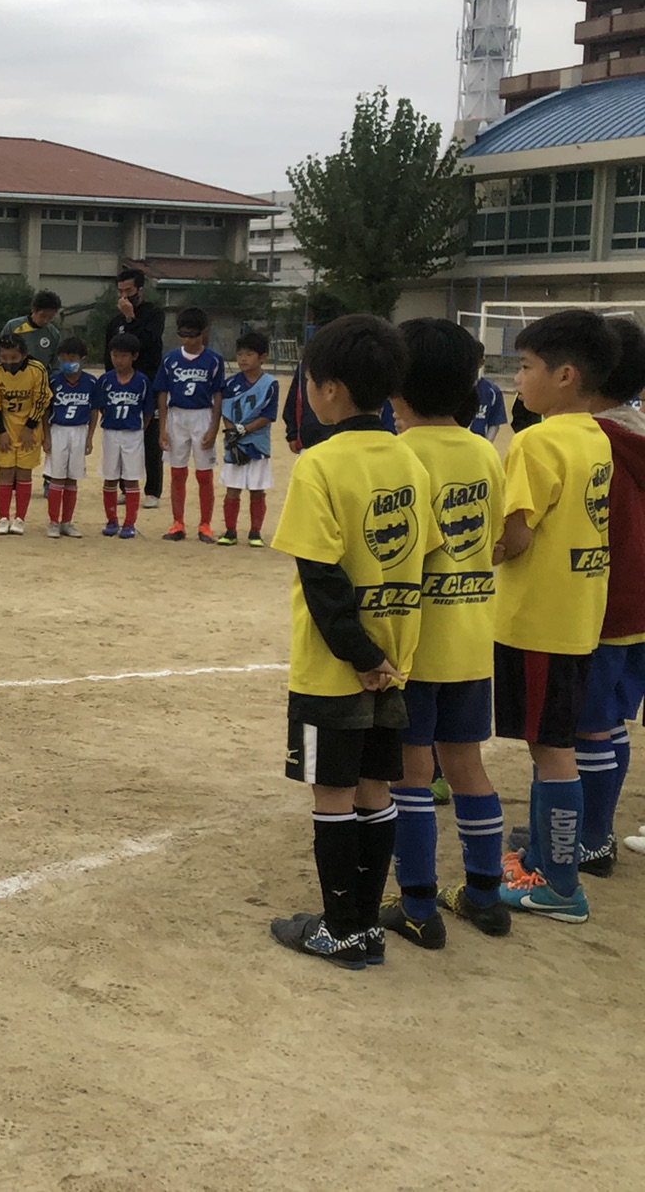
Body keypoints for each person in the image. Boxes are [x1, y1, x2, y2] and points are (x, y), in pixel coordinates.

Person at [268, 315, 438, 968]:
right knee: (375, 788)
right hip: (397, 661)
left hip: (335, 669)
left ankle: (339, 927)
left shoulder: (320, 465)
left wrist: (359, 657)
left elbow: (323, 579)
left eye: (308, 383)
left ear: (331, 390)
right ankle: (364, 924)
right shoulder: (411, 459)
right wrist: (385, 658)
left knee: (331, 794)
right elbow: (420, 554)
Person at [381, 319, 512, 948]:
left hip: (415, 642)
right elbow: (490, 545)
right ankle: (486, 895)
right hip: (470, 635)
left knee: (411, 776)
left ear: (395, 386)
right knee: (466, 765)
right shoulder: (485, 449)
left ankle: (417, 905)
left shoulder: (401, 453)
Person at [492, 309, 618, 923]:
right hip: (575, 613)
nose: (518, 378)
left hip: (537, 619)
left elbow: (515, 538)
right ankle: (544, 858)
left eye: (526, 366)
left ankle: (560, 885)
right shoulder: (595, 434)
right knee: (552, 742)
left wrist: (476, 546)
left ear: (565, 374)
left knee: (550, 748)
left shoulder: (538, 440)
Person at [579, 321, 645, 873]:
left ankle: (592, 838)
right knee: (611, 719)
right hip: (638, 604)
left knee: (588, 723)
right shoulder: (636, 429)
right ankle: (589, 825)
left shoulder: (596, 442)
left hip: (601, 602)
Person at [154, 308, 225, 543]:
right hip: (177, 417)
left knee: (204, 474)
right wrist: (162, 428)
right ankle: (178, 523)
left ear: (203, 334)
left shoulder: (214, 360)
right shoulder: (170, 359)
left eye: (193, 335)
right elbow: (162, 395)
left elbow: (218, 396)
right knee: (177, 472)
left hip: (202, 416)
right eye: (183, 334)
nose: (188, 340)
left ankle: (205, 524)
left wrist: (214, 428)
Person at [105, 270, 166, 504]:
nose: (124, 296)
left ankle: (152, 491)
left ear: (140, 290)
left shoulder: (154, 314)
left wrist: (132, 319)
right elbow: (108, 353)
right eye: (120, 291)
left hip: (148, 382)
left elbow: (150, 342)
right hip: (120, 385)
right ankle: (125, 487)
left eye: (128, 291)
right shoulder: (114, 322)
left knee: (150, 437)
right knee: (122, 436)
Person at [0, 331, 50, 536]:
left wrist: (30, 427)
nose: (9, 362)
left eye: (13, 358)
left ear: (24, 354)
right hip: (5, 428)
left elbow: (42, 400)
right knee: (5, 472)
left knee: (24, 472)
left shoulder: (37, 370)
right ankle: (3, 517)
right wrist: (1, 431)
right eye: (4, 358)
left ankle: (20, 518)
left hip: (29, 429)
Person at [217, 331, 278, 548]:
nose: (243, 359)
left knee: (257, 489)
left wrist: (244, 430)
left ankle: (255, 532)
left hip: (257, 444)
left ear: (263, 357)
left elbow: (268, 415)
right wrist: (232, 432)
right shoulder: (230, 383)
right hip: (234, 443)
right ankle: (230, 531)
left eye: (249, 354)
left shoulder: (270, 384)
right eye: (240, 354)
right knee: (232, 488)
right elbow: (224, 411)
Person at [91, 333, 150, 538]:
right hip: (110, 432)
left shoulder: (142, 381)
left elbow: (148, 410)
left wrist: (139, 427)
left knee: (131, 478)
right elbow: (99, 407)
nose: (118, 360)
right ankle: (111, 520)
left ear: (134, 356)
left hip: (132, 433)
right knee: (110, 477)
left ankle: (129, 523)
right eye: (115, 356)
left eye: (123, 356)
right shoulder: (106, 380)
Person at [43, 336, 95, 539]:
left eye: (72, 358)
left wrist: (90, 438)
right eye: (63, 358)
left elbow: (94, 411)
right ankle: (53, 521)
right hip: (58, 430)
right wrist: (46, 436)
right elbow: (45, 411)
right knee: (57, 477)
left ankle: (67, 521)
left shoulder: (91, 382)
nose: (67, 362)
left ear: (83, 359)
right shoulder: (54, 380)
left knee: (72, 479)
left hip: (79, 430)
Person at [1, 291, 66, 372]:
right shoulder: (13, 327)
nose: (46, 321)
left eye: (50, 317)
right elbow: (0, 353)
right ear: (33, 310)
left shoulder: (53, 334)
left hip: (40, 380)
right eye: (43, 316)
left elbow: (56, 363)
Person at [473, 374, 510, 442]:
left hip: (480, 444)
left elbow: (494, 423)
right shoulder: (452, 389)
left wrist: (487, 445)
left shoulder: (492, 391)